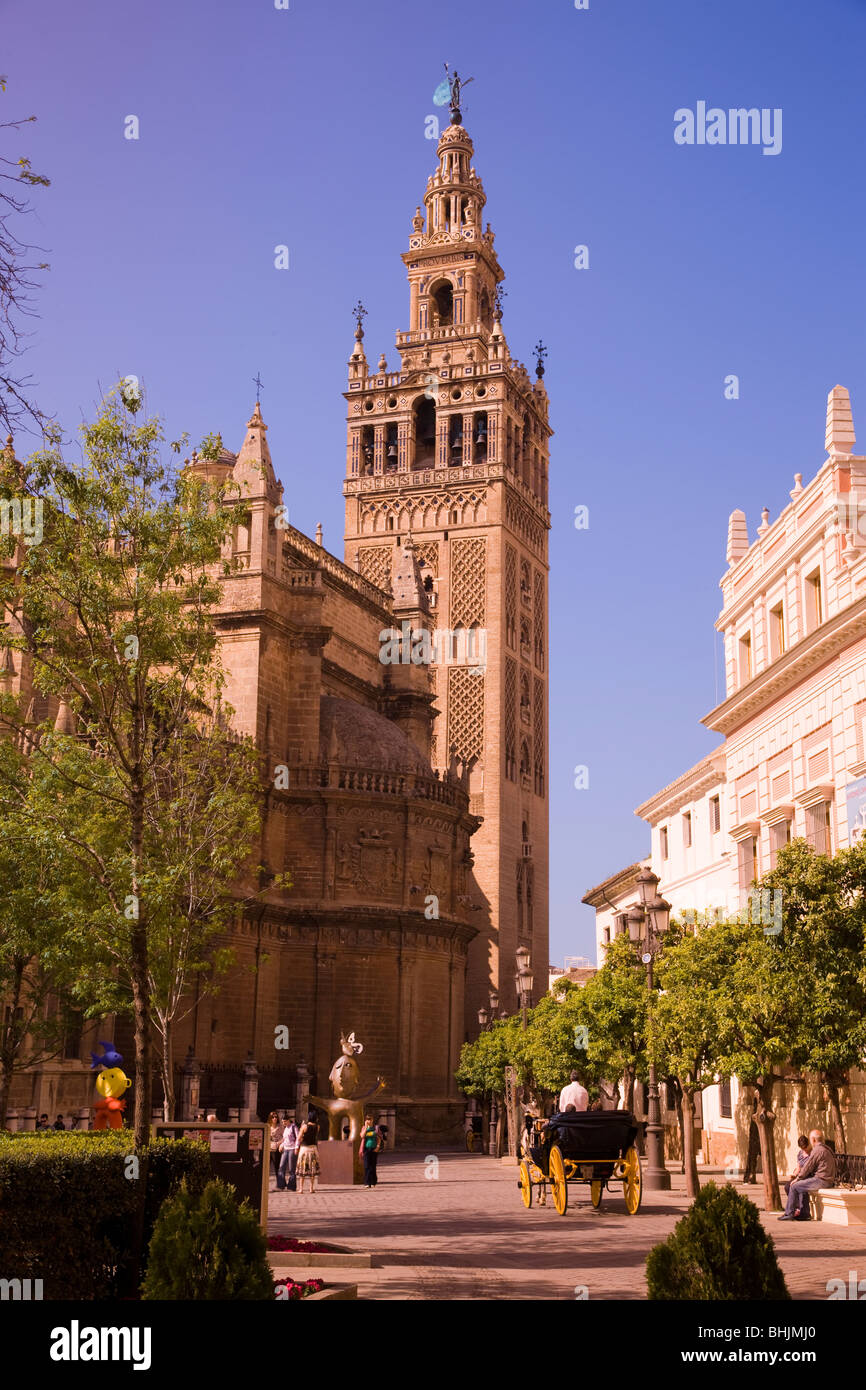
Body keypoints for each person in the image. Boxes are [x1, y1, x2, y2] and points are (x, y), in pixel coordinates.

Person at [778, 1129, 836, 1220]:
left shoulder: (817, 1150)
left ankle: (789, 1213)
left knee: (794, 1186)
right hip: (828, 1180)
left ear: (813, 1140)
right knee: (802, 1186)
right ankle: (804, 1214)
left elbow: (808, 1167)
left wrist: (797, 1179)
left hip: (822, 1180)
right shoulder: (826, 1149)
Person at [296, 1109, 320, 1194]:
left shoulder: (304, 1126)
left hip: (304, 1149)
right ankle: (311, 1188)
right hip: (313, 1149)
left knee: (303, 1169)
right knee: (312, 1169)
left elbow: (299, 1138)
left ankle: (301, 1188)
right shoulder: (317, 1126)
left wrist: (301, 1129)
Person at [359, 1112, 382, 1187]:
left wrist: (378, 1146)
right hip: (366, 1148)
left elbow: (379, 1138)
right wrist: (366, 1127)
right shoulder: (364, 1128)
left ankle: (373, 1182)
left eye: (370, 1119)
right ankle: (366, 1182)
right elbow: (362, 1136)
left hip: (374, 1148)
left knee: (373, 1166)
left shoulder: (376, 1128)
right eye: (367, 1119)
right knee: (366, 1166)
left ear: (372, 1120)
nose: (369, 1121)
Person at [278, 1115, 300, 1190]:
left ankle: (292, 1186)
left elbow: (298, 1138)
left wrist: (297, 1147)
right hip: (285, 1149)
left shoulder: (294, 1127)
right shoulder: (285, 1128)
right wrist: (281, 1145)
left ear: (288, 1120)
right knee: (281, 1166)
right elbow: (285, 1139)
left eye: (284, 1121)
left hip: (292, 1149)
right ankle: (281, 1185)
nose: (283, 1123)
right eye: (282, 1122)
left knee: (291, 1169)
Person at [268, 1112, 282, 1181]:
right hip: (268, 1149)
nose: (275, 1118)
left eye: (276, 1117)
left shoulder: (280, 1127)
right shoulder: (268, 1127)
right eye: (273, 1117)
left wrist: (278, 1143)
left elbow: (284, 1137)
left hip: (276, 1149)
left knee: (277, 1167)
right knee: (266, 1167)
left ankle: (279, 1183)